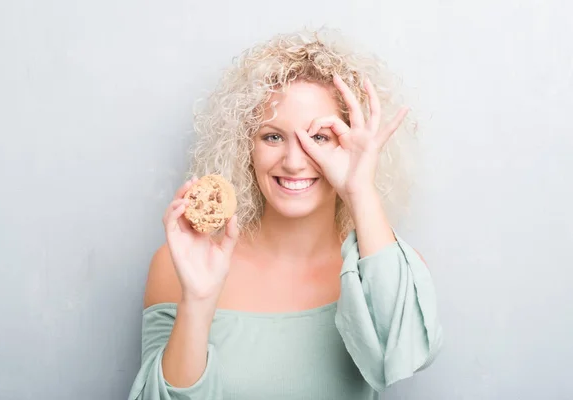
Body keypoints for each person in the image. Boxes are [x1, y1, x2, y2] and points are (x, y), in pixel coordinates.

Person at [128, 27, 443, 400]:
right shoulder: (182, 265)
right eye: (273, 136)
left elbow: (404, 353)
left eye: (320, 138)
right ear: (247, 146)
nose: (294, 162)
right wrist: (197, 301)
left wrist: (360, 190)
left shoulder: (388, 268)